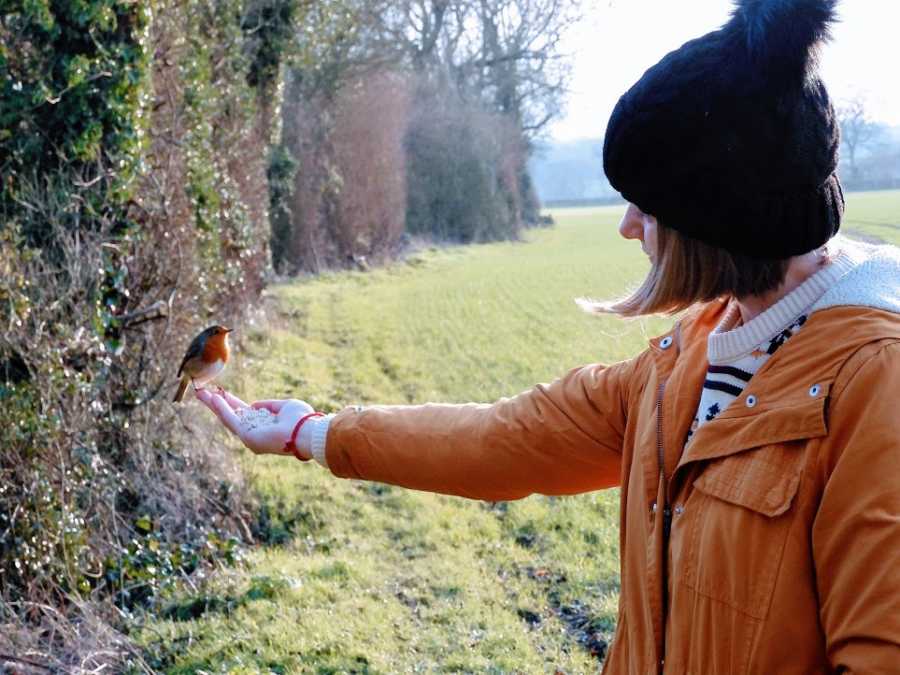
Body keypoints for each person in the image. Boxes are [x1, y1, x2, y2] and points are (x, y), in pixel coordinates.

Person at [197, 0, 900, 672]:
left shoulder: (875, 390)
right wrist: (312, 434)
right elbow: (508, 439)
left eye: (646, 205)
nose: (627, 225)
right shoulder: (693, 355)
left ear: (719, 218)